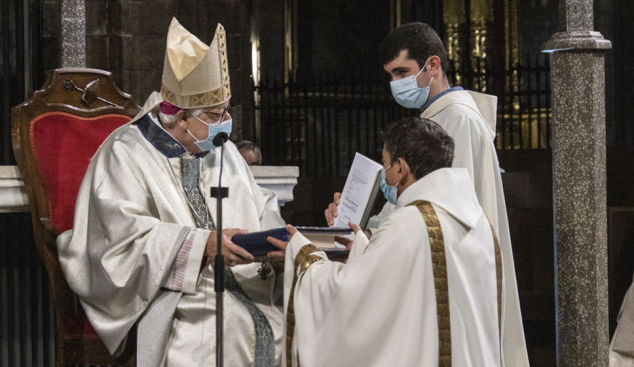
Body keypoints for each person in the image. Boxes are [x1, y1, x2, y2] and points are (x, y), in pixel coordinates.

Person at [57, 18, 286, 367]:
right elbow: (117, 241)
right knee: (229, 329)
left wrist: (271, 243)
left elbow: (261, 202)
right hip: (170, 289)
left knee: (294, 317)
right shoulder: (126, 152)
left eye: (226, 111)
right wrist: (202, 245)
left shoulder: (219, 148)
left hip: (244, 280)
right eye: (214, 114)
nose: (225, 122)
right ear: (179, 116)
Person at [324, 22, 529, 367]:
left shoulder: (458, 120)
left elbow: (438, 210)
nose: (395, 84)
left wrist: (370, 235)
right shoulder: (439, 118)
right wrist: (355, 218)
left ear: (433, 65)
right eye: (390, 76)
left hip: (454, 271)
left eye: (402, 72)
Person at [271, 117, 505, 366]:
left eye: (385, 165)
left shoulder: (409, 223)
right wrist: (363, 249)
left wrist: (303, 255)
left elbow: (350, 295)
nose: (384, 174)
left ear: (401, 168)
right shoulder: (479, 221)